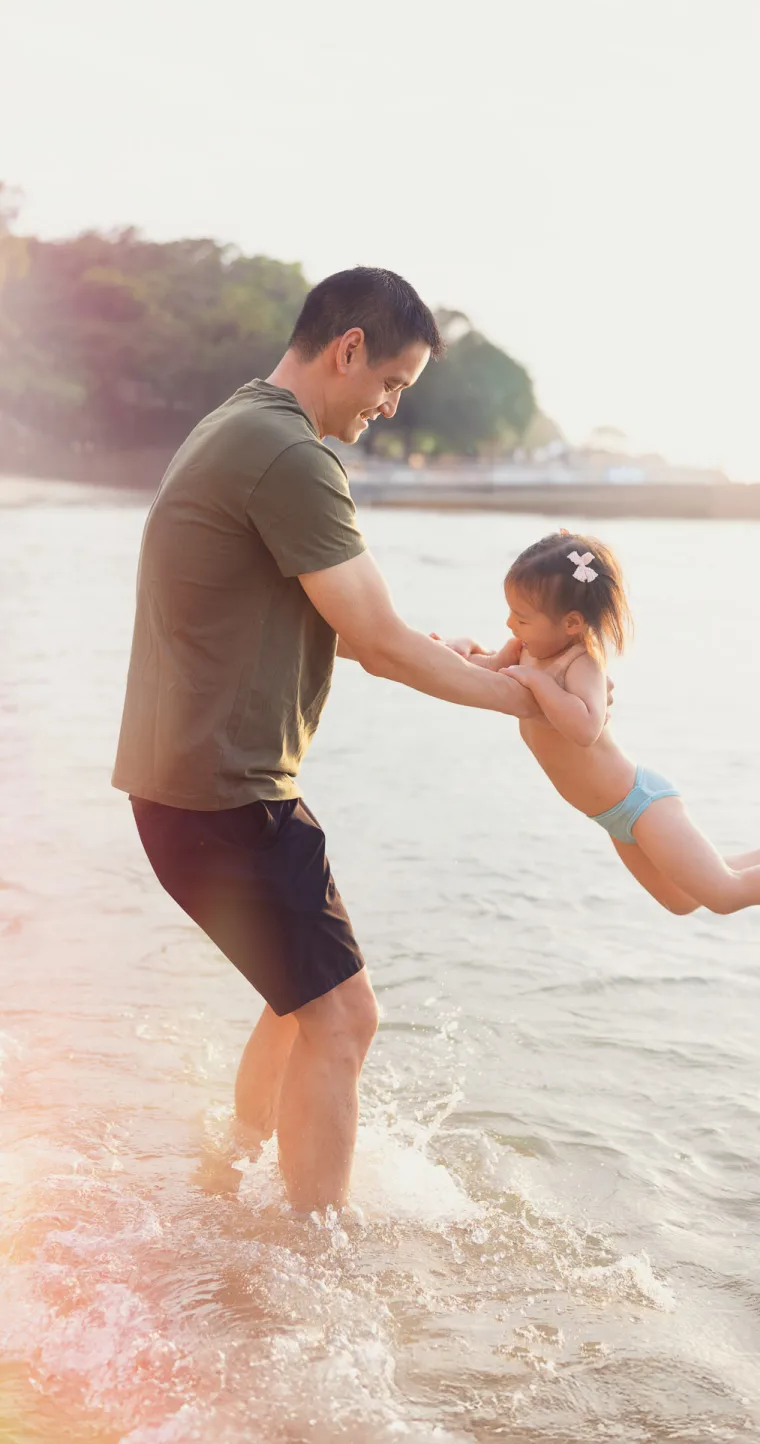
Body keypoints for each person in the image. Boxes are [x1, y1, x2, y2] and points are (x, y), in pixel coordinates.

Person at [112, 267, 544, 1216]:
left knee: (298, 999)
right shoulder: (291, 455)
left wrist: (449, 655)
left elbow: (352, 626)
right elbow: (379, 645)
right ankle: (314, 1256)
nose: (388, 408)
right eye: (392, 384)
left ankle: (237, 1174)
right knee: (346, 1019)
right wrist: (527, 700)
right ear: (349, 350)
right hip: (226, 797)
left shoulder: (239, 421)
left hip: (190, 790)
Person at [458, 530, 760, 940]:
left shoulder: (581, 665)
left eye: (521, 616)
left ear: (572, 624)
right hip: (611, 817)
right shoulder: (523, 649)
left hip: (641, 802)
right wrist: (458, 649)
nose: (508, 626)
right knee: (681, 901)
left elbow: (584, 727)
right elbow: (485, 670)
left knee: (722, 893)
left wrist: (537, 683)